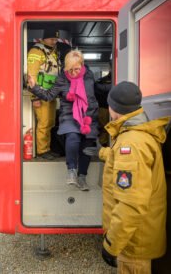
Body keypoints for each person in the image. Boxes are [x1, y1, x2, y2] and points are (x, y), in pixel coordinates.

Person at [84, 81, 170, 273]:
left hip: (133, 245)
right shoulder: (137, 133)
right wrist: (103, 153)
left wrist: (111, 245)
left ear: (114, 108)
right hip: (139, 234)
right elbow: (129, 163)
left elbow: (130, 206)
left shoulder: (131, 143)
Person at [28, 49, 99, 191]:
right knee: (72, 137)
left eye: (77, 69)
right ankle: (71, 171)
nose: (73, 73)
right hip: (69, 115)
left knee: (86, 147)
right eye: (70, 69)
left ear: (82, 65)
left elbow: (97, 92)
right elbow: (48, 96)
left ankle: (82, 177)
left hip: (88, 116)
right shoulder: (61, 79)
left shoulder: (89, 76)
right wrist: (34, 87)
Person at [27, 28, 61, 160]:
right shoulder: (37, 52)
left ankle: (47, 148)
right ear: (44, 38)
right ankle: (42, 150)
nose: (54, 41)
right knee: (44, 123)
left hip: (51, 94)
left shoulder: (53, 52)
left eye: (56, 39)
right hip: (40, 95)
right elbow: (31, 75)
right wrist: (34, 96)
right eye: (52, 39)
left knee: (50, 122)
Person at [94, 66, 112, 146]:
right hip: (104, 108)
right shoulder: (101, 81)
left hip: (116, 108)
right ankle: (104, 145)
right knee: (104, 128)